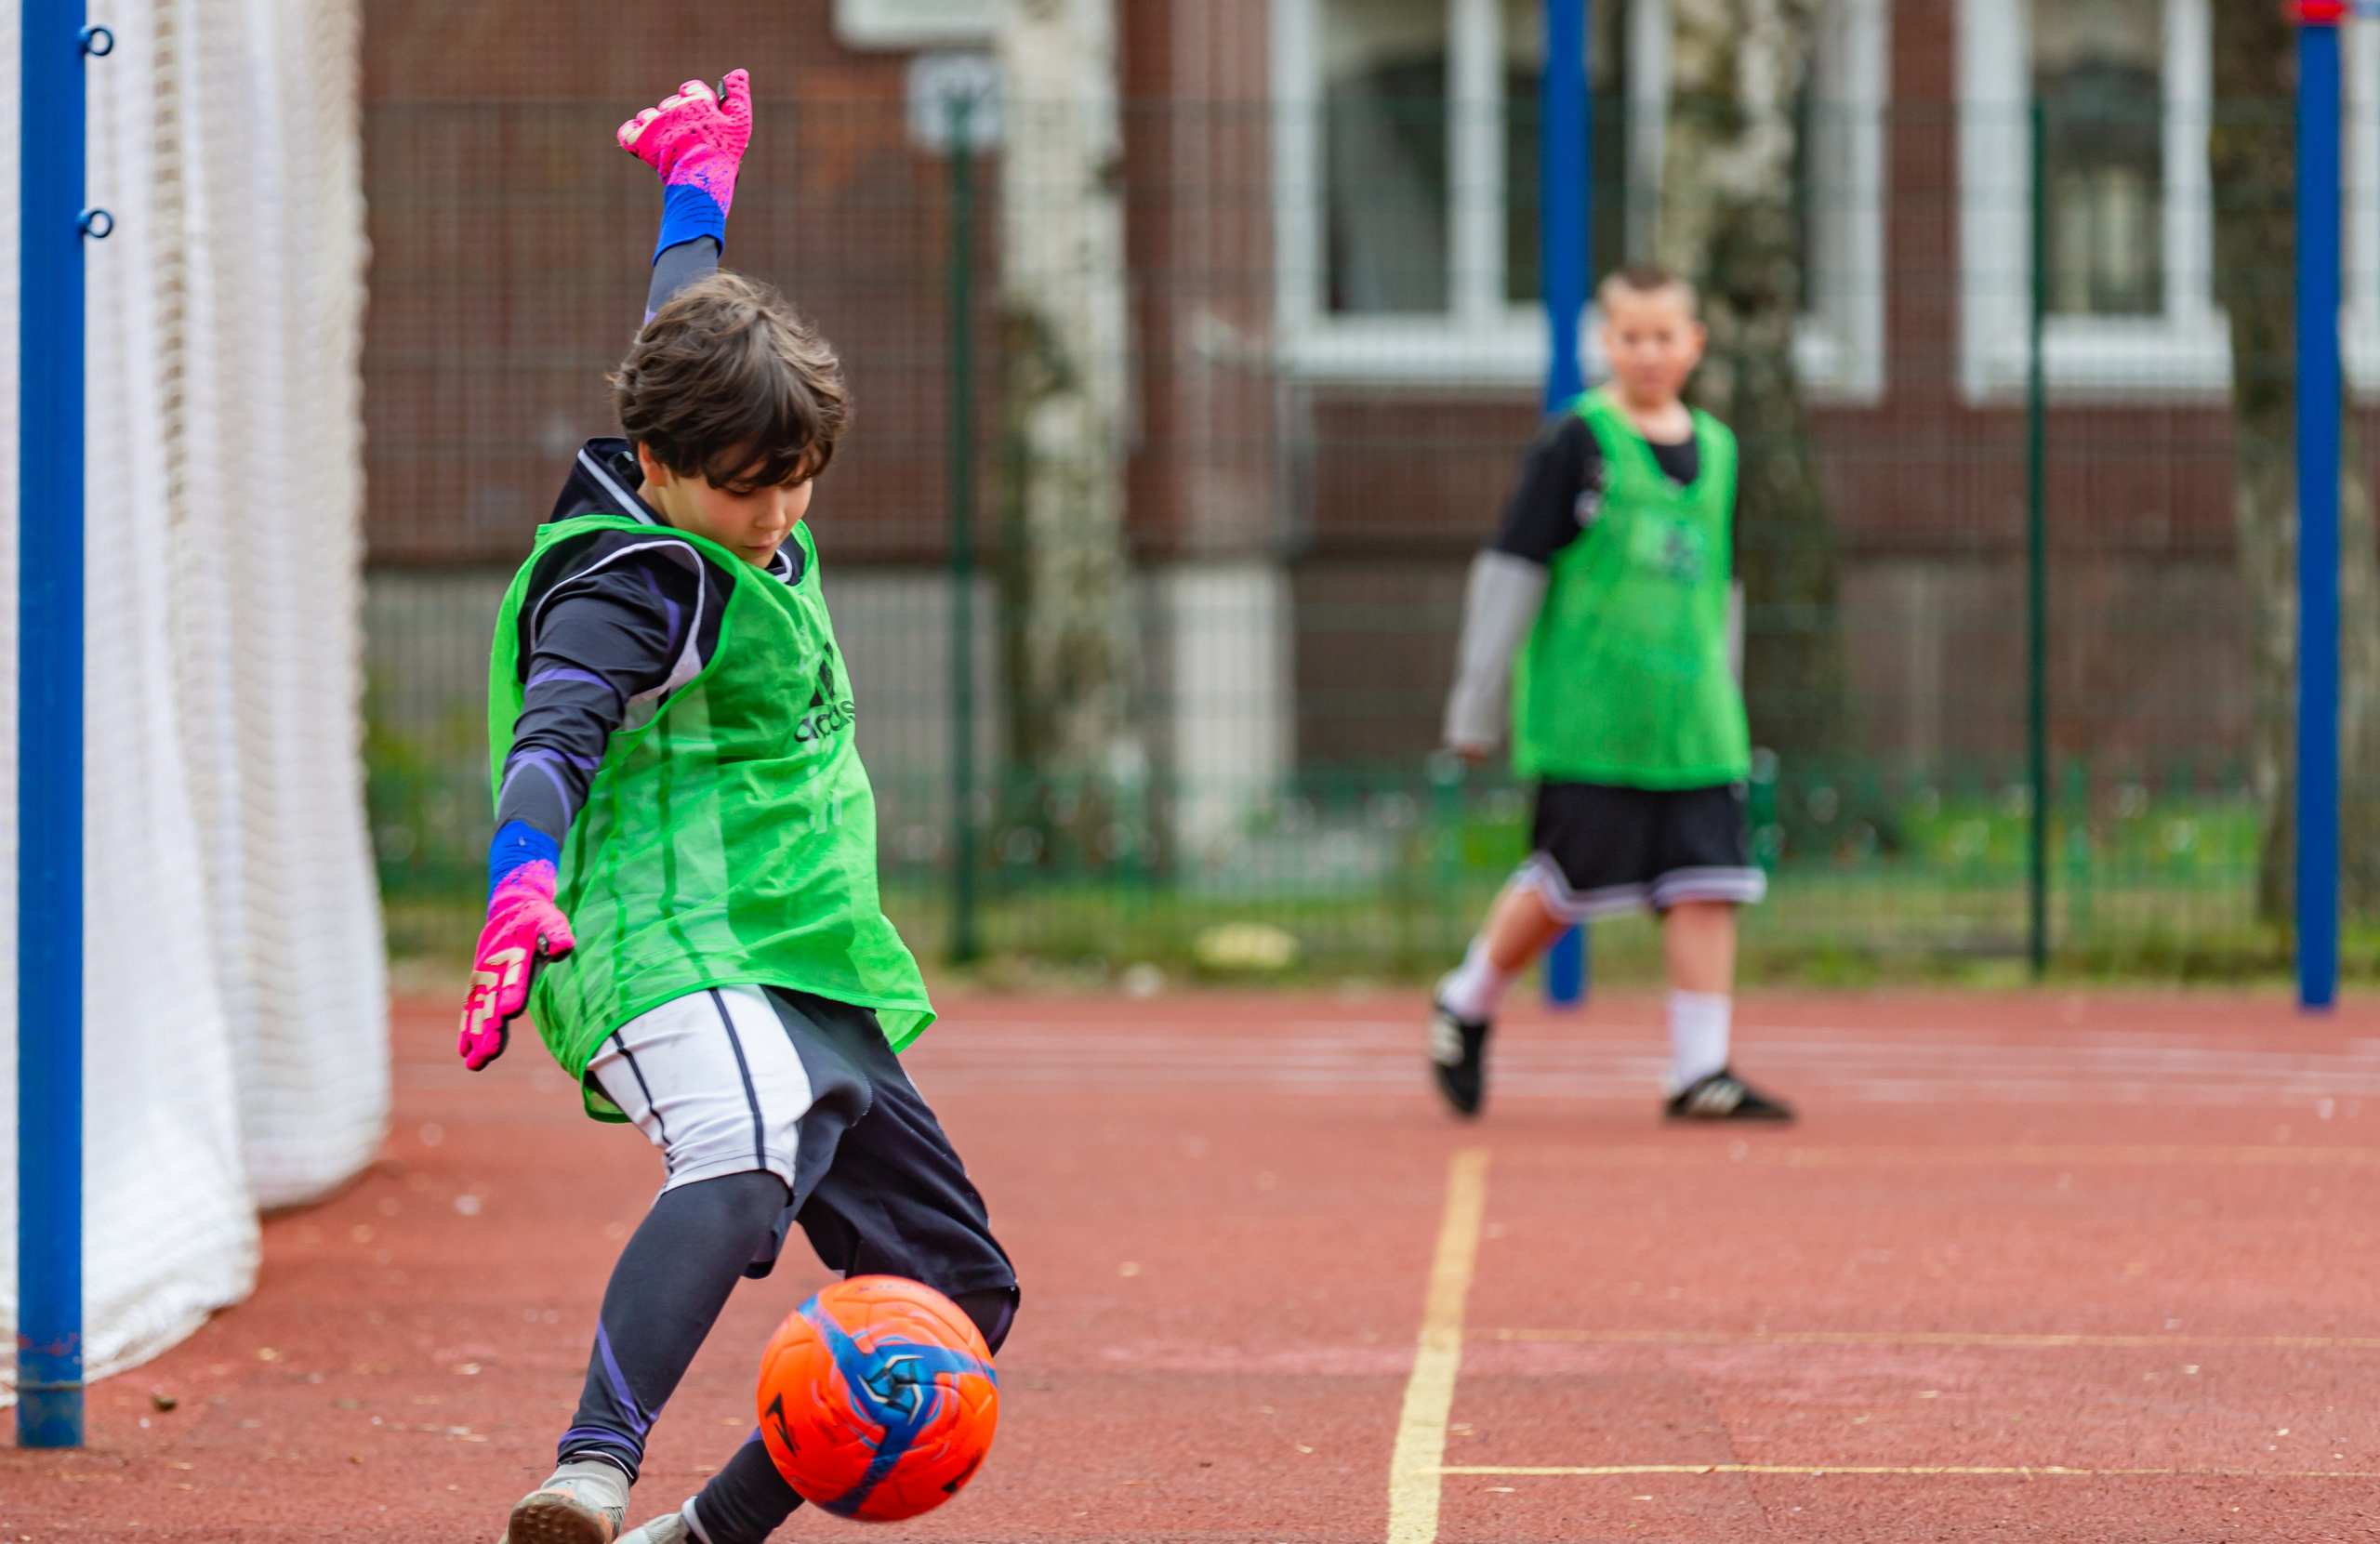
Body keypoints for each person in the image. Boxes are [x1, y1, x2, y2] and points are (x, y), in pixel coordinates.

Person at [459, 74, 1018, 1544]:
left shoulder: (712, 444)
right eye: (747, 490)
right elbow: (553, 736)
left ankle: (697, 1539)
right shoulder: (634, 582)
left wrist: (695, 189)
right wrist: (522, 877)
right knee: (747, 1145)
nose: (779, 517)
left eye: (800, 481)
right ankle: (591, 1465)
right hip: (663, 937)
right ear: (654, 470)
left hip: (800, 943)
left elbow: (682, 321)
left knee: (956, 1295)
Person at [1430, 263, 1794, 1125]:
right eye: (1630, 336)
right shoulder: (1577, 443)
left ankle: (1700, 1071)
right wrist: (1475, 705)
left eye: (1665, 335)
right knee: (1562, 885)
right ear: (1606, 342)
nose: (1648, 352)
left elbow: (1722, 589)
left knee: (1710, 881)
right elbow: (1513, 569)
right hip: (1591, 715)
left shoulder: (1722, 449)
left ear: (1695, 344)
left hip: (1694, 719)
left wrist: (1727, 695)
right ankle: (1468, 999)